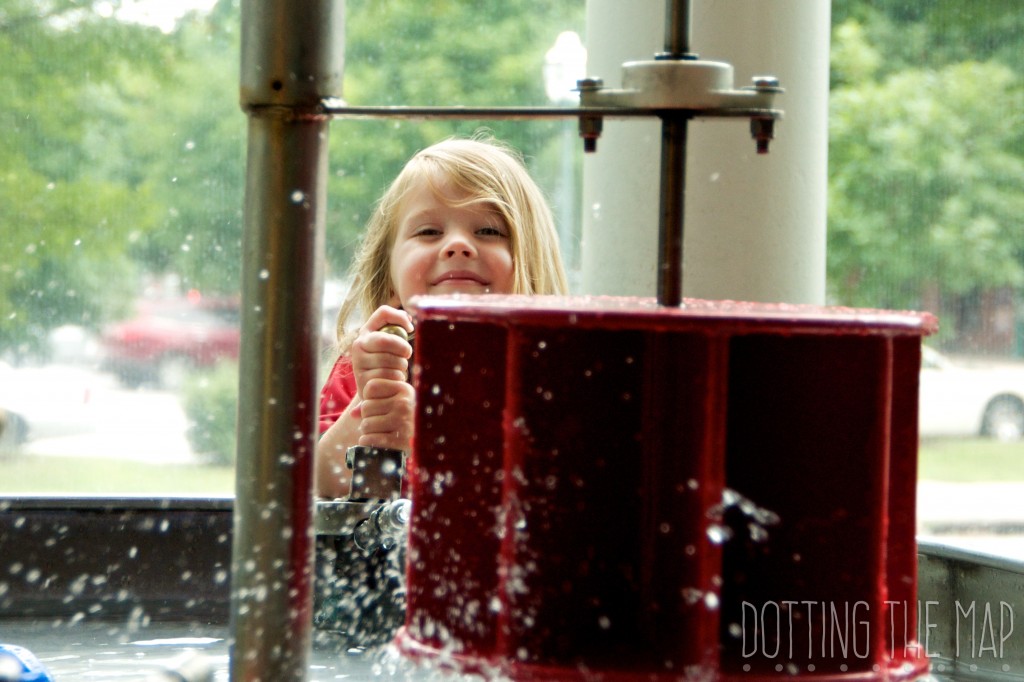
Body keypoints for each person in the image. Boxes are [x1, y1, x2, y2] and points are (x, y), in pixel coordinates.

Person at [315, 135, 569, 499]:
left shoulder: (549, 375)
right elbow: (322, 491)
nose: (457, 245)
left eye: (488, 231)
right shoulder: (370, 366)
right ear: (390, 282)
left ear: (531, 268)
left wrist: (425, 436)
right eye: (429, 232)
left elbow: (545, 494)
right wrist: (369, 408)